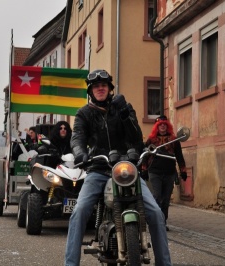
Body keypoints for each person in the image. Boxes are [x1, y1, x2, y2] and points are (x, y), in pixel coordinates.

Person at [64, 69, 171, 266]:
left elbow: (136, 137)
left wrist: (125, 116)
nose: (100, 89)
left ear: (110, 88)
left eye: (103, 85)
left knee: (155, 212)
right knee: (79, 211)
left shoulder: (123, 108)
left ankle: (165, 263)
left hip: (126, 169)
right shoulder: (84, 114)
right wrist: (80, 153)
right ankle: (70, 264)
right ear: (91, 90)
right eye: (96, 86)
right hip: (98, 168)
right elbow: (77, 137)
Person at [143, 115, 187, 231]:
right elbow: (145, 156)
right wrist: (144, 169)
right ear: (157, 127)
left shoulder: (174, 140)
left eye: (164, 125)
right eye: (160, 125)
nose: (162, 126)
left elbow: (179, 156)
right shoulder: (151, 140)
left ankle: (162, 221)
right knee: (157, 196)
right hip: (155, 172)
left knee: (166, 199)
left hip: (169, 173)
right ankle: (154, 220)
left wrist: (183, 170)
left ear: (167, 126)